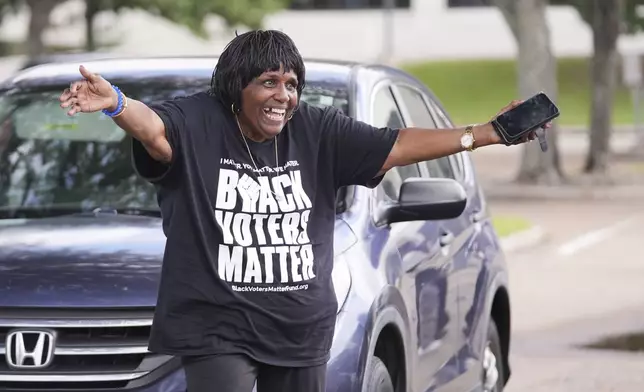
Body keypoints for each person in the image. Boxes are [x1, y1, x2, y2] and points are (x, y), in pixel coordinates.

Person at [59, 30, 550, 392]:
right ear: (236, 87)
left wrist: (485, 133)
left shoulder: (317, 131)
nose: (283, 95)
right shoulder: (199, 120)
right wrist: (117, 104)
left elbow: (396, 145)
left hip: (299, 327)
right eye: (268, 82)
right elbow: (154, 130)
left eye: (291, 84)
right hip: (216, 326)